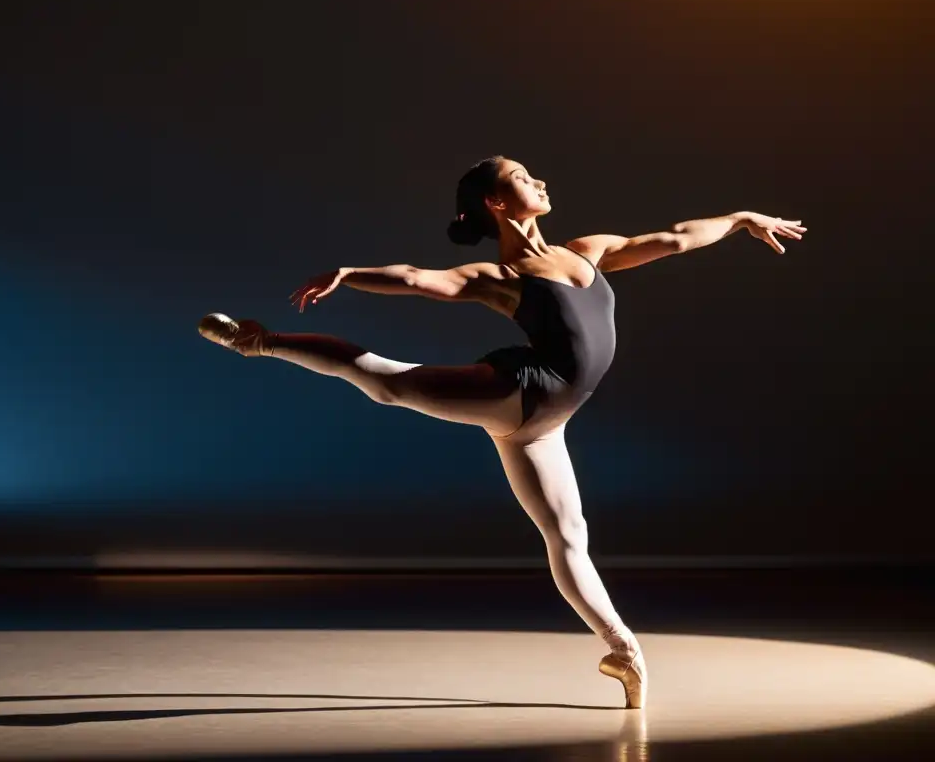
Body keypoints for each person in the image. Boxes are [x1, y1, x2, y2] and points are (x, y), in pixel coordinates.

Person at [198, 156, 806, 709]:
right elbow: (416, 278)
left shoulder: (588, 250)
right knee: (388, 383)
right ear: (496, 202)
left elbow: (673, 238)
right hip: (524, 391)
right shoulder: (501, 274)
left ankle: (623, 652)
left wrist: (740, 218)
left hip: (549, 420)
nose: (540, 180)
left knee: (569, 535)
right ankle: (259, 341)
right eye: (522, 176)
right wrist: (352, 272)